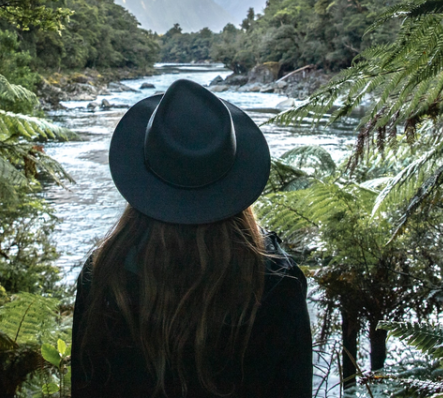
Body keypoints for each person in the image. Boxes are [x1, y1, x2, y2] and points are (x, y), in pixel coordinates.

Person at [72, 78, 313, 397]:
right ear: (234, 178)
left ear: (143, 181)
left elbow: (85, 387)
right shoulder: (278, 284)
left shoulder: (105, 275)